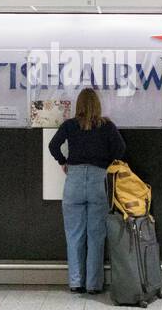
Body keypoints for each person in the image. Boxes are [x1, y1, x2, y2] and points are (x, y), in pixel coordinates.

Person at [48, 88, 126, 294]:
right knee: (96, 235)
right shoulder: (107, 126)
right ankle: (93, 285)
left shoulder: (70, 125)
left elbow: (53, 145)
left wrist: (63, 161)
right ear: (98, 105)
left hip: (74, 181)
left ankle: (76, 283)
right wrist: (106, 163)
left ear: (78, 105)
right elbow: (120, 149)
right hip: (98, 181)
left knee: (74, 235)